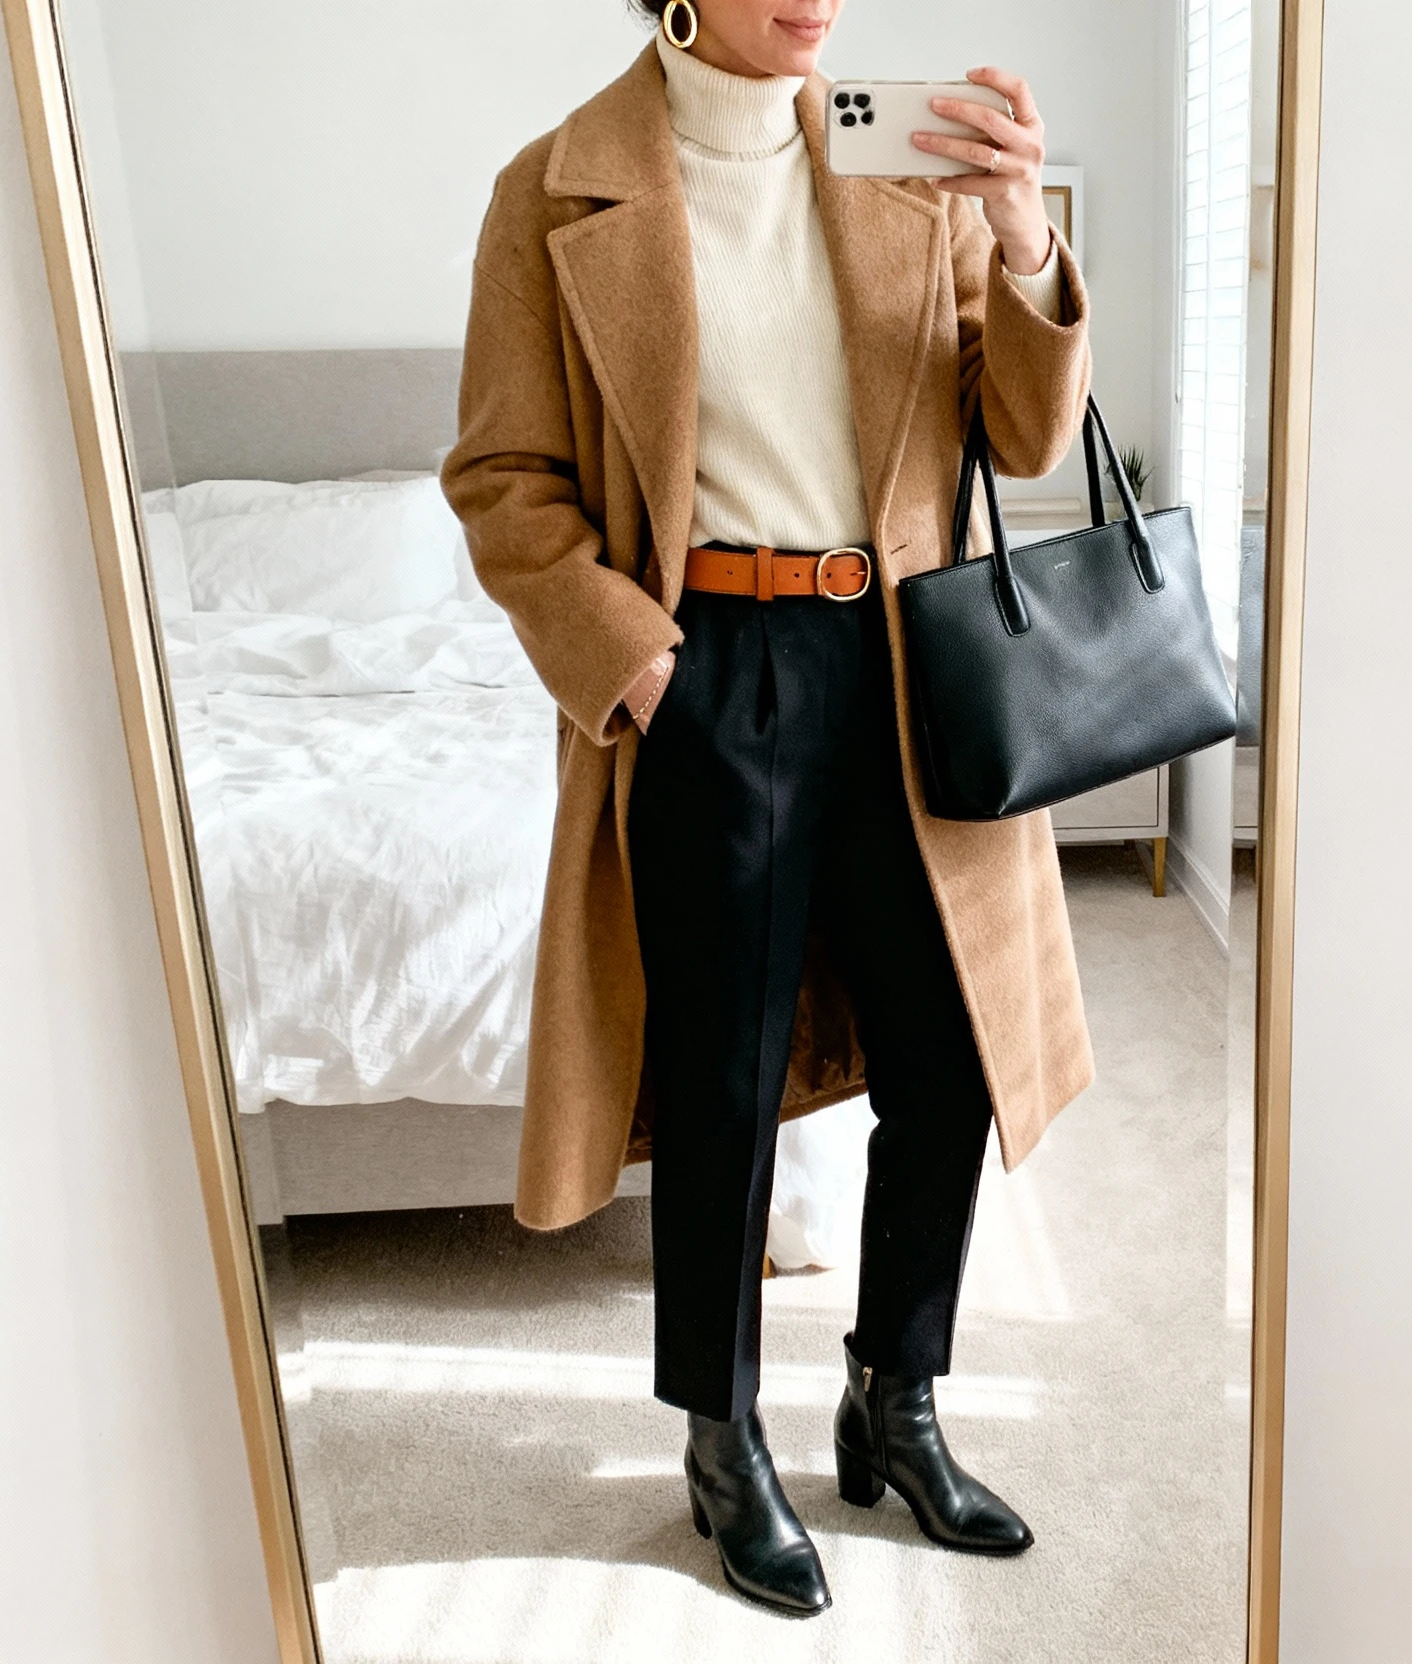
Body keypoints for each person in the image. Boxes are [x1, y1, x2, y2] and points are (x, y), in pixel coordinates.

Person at [440, 0, 1096, 1617]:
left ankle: (896, 1398)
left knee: (953, 1053)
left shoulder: (905, 162)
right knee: (720, 1082)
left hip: (909, 660)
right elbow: (505, 479)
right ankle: (722, 1438)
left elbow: (1020, 429)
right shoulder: (552, 188)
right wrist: (643, 668)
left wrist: (1022, 235)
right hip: (708, 669)